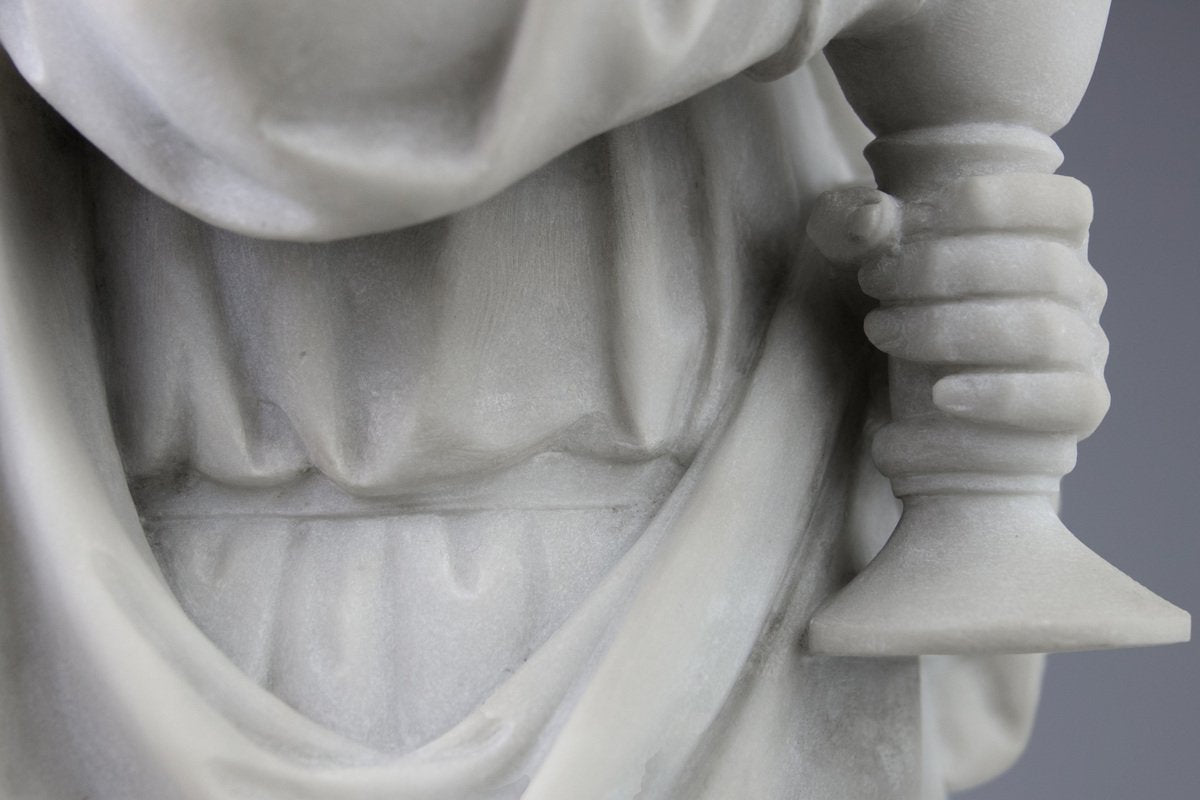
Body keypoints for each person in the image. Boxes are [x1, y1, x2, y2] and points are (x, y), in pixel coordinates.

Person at [0, 1, 1123, 797]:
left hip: (725, 569)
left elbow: (877, 135)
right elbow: (283, 68)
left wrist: (963, 340)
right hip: (203, 623)